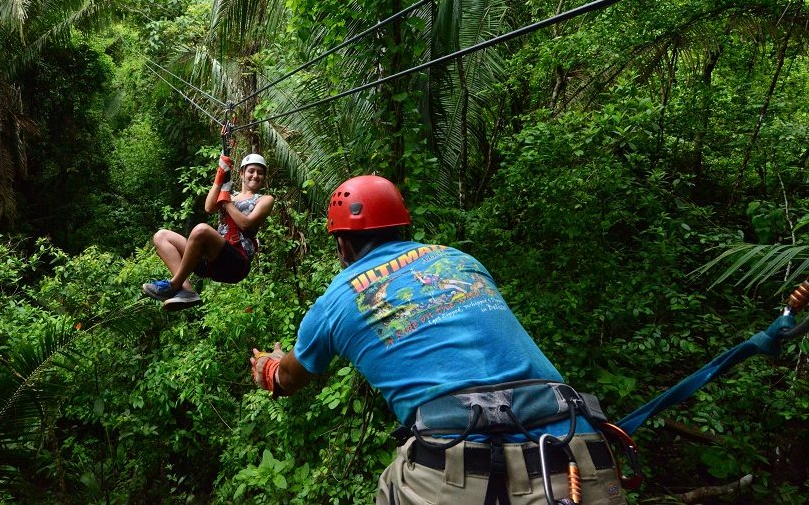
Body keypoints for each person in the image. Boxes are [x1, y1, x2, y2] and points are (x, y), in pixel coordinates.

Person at [250, 175, 629, 504]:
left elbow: (288, 378)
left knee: (390, 487)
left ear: (343, 246)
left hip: (457, 465)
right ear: (401, 227)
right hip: (575, 452)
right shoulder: (460, 260)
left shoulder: (337, 299)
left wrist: (269, 365)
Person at [145, 152, 274, 310]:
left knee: (201, 230)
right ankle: (187, 290)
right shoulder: (230, 195)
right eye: (251, 171)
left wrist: (226, 200)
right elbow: (209, 207)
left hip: (237, 262)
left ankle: (173, 284)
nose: (255, 175)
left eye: (260, 173)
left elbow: (245, 224)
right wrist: (220, 176)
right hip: (212, 260)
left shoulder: (264, 200)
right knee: (161, 236)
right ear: (242, 173)